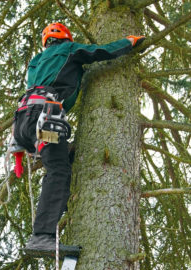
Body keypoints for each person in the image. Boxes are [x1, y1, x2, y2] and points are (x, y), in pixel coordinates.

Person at [14, 22, 145, 253]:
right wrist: (128, 43)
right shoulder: (68, 49)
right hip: (44, 113)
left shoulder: (37, 61)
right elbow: (99, 52)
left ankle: (49, 228)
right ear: (65, 37)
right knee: (58, 171)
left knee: (61, 164)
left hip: (24, 120)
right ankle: (42, 236)